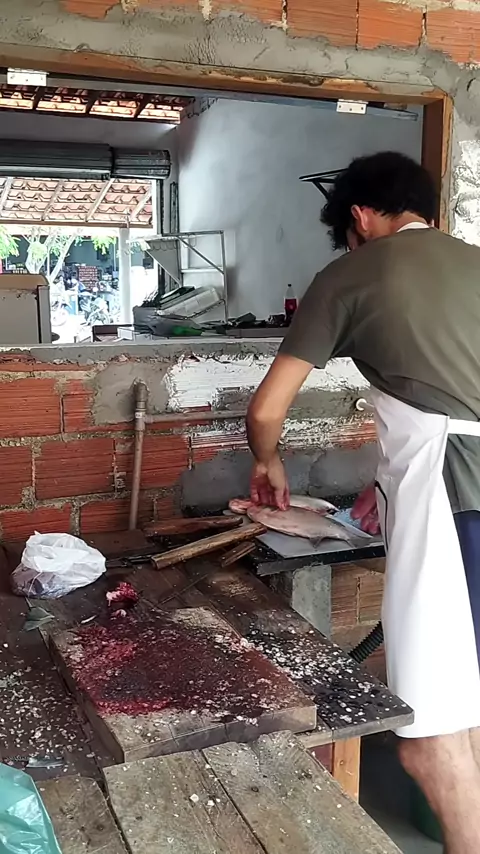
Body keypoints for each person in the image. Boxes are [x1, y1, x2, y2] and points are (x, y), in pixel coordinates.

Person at [246, 151, 480, 853]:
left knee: (428, 733)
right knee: (468, 704)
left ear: (360, 218)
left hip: (455, 498)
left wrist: (267, 461)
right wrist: (386, 487)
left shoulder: (353, 272)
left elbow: (266, 410)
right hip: (450, 488)